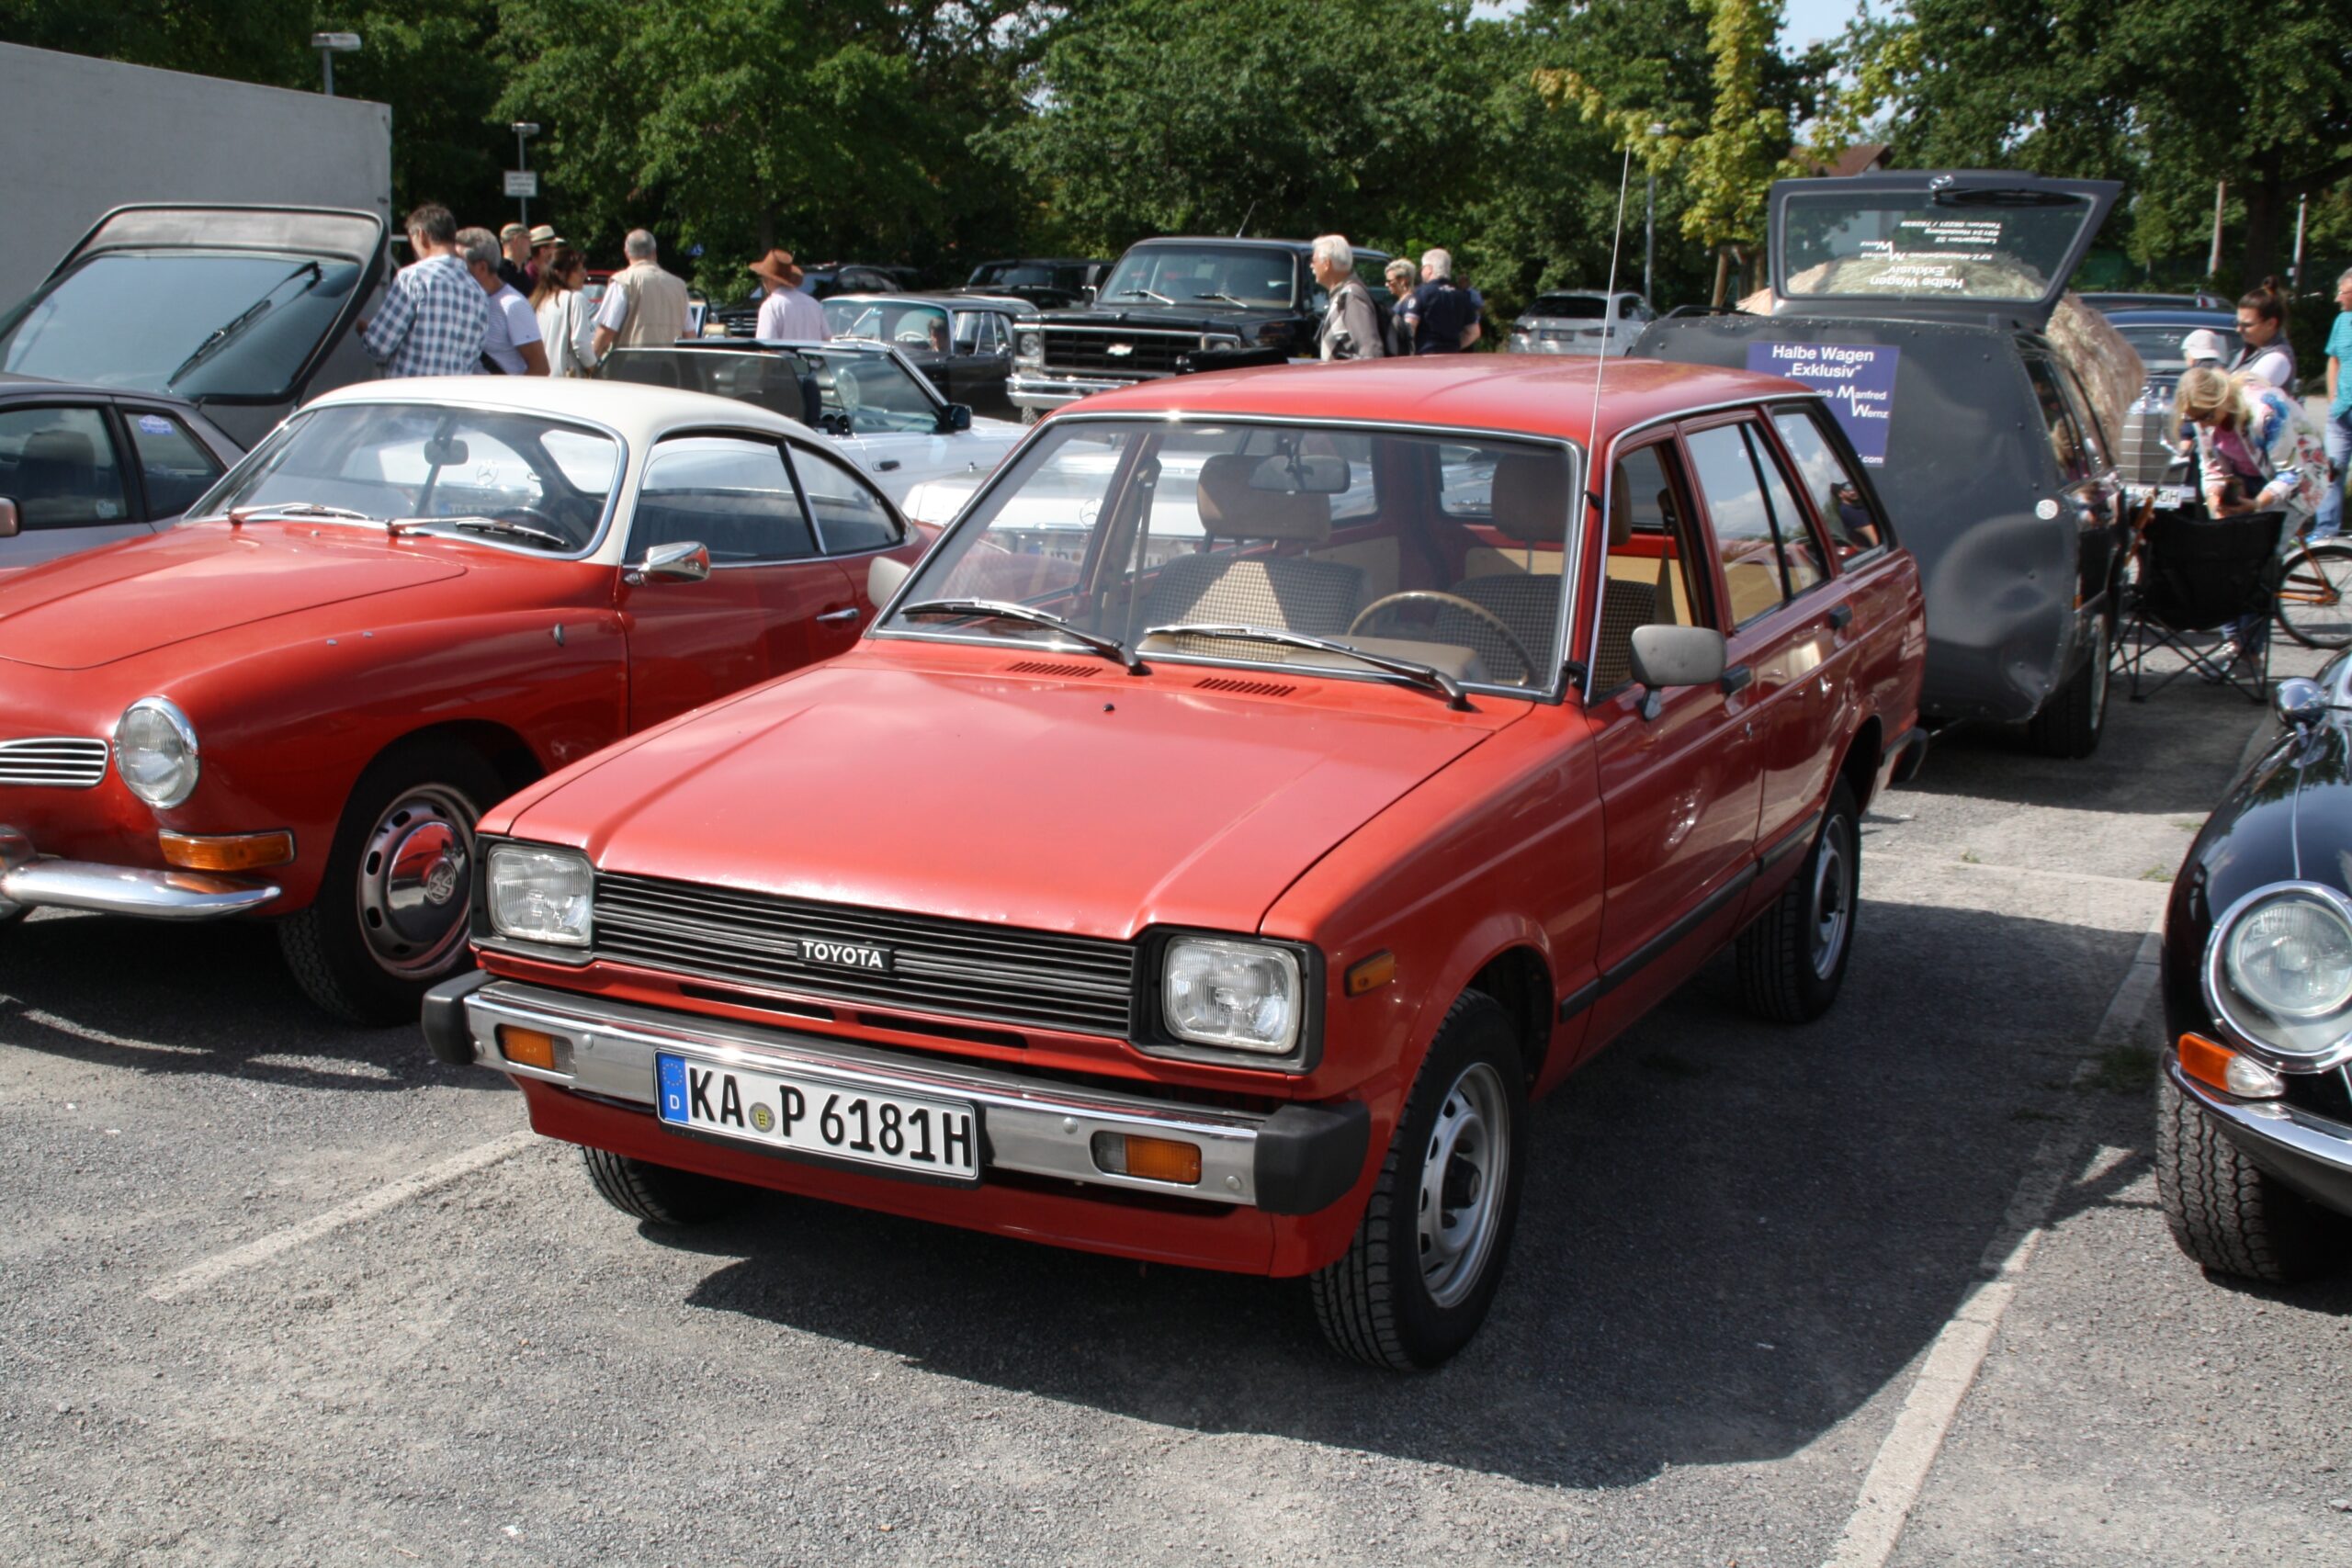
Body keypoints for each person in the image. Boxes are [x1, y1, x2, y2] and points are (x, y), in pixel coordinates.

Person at [2177, 365, 2330, 671]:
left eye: (2206, 416)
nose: (2202, 424)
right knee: (2225, 561)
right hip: (2249, 478)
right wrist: (2216, 499)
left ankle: (2249, 653)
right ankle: (2233, 644)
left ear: (2221, 400)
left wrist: (2257, 503)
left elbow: (2292, 472)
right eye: (2194, 419)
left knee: (2257, 566)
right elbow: (2211, 467)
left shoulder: (2266, 412)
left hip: (2296, 486)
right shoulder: (2204, 418)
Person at [359, 203, 488, 379]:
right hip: (453, 394)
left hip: (410, 392)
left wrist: (363, 329)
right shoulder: (478, 292)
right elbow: (473, 357)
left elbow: (379, 345)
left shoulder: (413, 278)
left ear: (421, 235)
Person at [457, 226, 548, 376]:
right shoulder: (468, 301)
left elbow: (540, 368)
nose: (454, 272)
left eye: (460, 266)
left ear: (482, 268)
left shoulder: (513, 305)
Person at [593, 230, 692, 356]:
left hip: (632, 364)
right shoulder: (679, 286)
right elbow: (690, 335)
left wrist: (590, 364)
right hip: (670, 365)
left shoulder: (623, 282)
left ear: (626, 253)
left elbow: (606, 332)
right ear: (654, 252)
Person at [2318, 267, 2352, 541]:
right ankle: (2325, 532)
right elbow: (2334, 359)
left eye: (2343, 293)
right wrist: (2332, 398)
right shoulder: (2341, 321)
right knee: (2330, 471)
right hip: (2341, 411)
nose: (2337, 298)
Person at [1310, 234, 1383, 361]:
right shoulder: (1343, 295)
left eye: (1314, 261)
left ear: (1326, 263)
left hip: (1353, 374)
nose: (1311, 265)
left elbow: (1370, 349)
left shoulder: (1351, 295)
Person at [529, 246, 598, 377]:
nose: (584, 274)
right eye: (577, 270)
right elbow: (580, 344)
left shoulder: (539, 300)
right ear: (559, 273)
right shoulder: (575, 298)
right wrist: (596, 369)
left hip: (541, 377)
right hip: (566, 378)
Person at [1405, 248, 1482, 355]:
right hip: (1452, 357)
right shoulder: (1461, 296)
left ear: (1429, 269)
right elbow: (1474, 332)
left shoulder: (1420, 293)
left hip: (1425, 356)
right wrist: (1454, 347)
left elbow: (1409, 327)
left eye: (1422, 268)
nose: (1421, 272)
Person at [2231, 278, 2297, 389]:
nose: (2238, 329)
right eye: (2237, 323)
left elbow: (2243, 392)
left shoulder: (2277, 359)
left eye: (2247, 325)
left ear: (2270, 324)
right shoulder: (2251, 349)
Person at [749, 249, 827, 341]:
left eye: (764, 277)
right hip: (812, 351)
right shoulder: (814, 304)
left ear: (770, 279)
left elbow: (765, 345)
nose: (763, 281)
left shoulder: (770, 307)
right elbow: (826, 339)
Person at [1383, 259, 1417, 355]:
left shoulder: (1411, 303)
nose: (1386, 284)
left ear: (1402, 281)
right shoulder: (1400, 302)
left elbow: (1409, 334)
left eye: (1390, 281)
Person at [496, 223, 536, 294]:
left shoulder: (523, 273)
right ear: (517, 240)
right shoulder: (498, 273)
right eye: (528, 238)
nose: (531, 243)